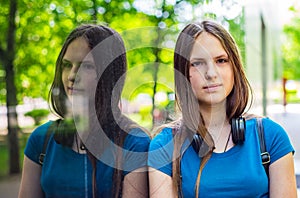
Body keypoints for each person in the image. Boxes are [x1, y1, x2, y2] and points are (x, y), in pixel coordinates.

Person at [148, 20, 297, 197]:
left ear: (234, 67)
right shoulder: (164, 146)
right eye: (197, 63)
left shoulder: (271, 136)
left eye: (221, 60)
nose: (211, 73)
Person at [19, 24, 150, 198]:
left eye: (86, 66)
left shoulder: (134, 144)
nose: (72, 75)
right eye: (67, 65)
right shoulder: (40, 140)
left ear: (109, 74)